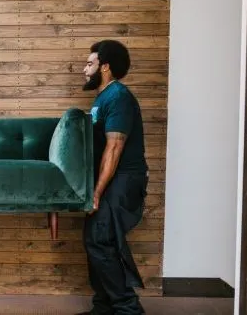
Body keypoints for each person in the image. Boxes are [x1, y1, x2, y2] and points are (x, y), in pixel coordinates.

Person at [77, 40, 149, 315]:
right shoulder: (103, 97)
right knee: (95, 240)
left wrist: (96, 192)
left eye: (90, 63)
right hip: (109, 180)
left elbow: (115, 147)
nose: (85, 69)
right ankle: (104, 307)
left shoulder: (118, 96)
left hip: (122, 180)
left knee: (101, 240)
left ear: (105, 67)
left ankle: (128, 310)